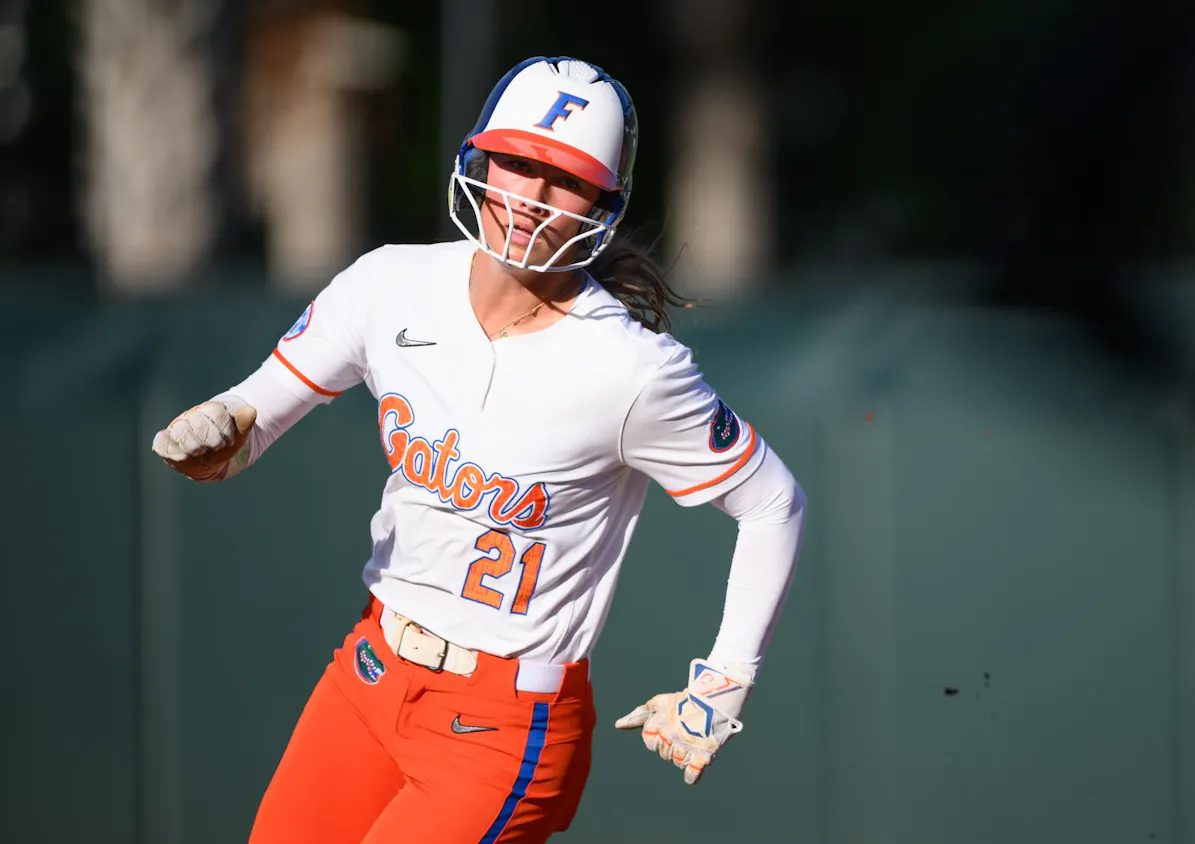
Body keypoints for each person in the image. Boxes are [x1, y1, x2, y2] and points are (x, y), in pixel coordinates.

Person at [149, 55, 806, 844]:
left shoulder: (631, 368)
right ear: (479, 158)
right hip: (369, 673)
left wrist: (725, 682)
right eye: (518, 162)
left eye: (563, 179)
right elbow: (250, 422)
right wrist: (218, 430)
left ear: (603, 202)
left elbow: (773, 501)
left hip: (503, 722)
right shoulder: (390, 283)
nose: (529, 196)